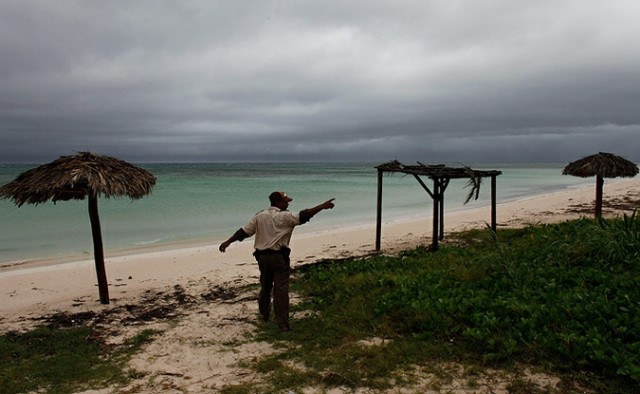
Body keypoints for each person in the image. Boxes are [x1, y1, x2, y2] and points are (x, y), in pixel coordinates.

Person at [219, 191, 335, 332]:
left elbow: (243, 232)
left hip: (262, 257)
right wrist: (322, 206)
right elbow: (305, 215)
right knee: (281, 290)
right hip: (279, 258)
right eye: (285, 201)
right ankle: (283, 325)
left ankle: (264, 315)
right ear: (279, 202)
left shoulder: (260, 216)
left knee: (266, 286)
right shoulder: (285, 217)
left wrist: (228, 242)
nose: (287, 204)